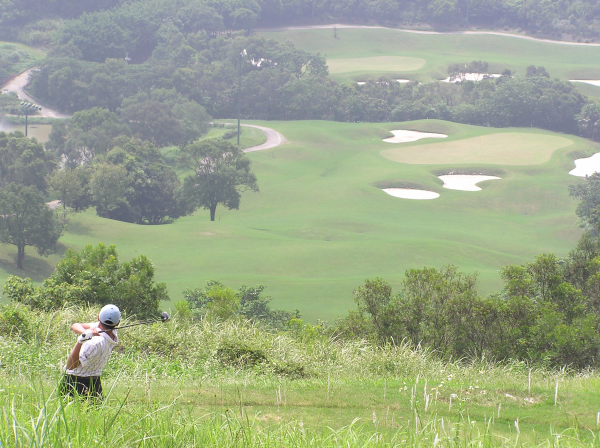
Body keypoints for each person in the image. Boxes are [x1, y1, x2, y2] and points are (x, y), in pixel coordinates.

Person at [60, 304, 121, 399]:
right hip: (95, 382)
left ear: (98, 317)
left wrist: (80, 341)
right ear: (117, 323)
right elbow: (75, 326)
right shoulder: (112, 333)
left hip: (75, 382)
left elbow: (71, 366)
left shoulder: (94, 343)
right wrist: (84, 333)